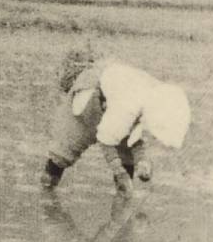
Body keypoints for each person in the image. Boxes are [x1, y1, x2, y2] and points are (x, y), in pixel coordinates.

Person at [39, 48, 191, 200]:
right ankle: (48, 192)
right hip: (90, 99)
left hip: (113, 97)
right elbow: (106, 140)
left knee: (126, 150)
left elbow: (134, 139)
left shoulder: (152, 98)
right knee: (66, 149)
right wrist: (119, 172)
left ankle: (123, 195)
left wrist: (142, 162)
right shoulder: (131, 106)